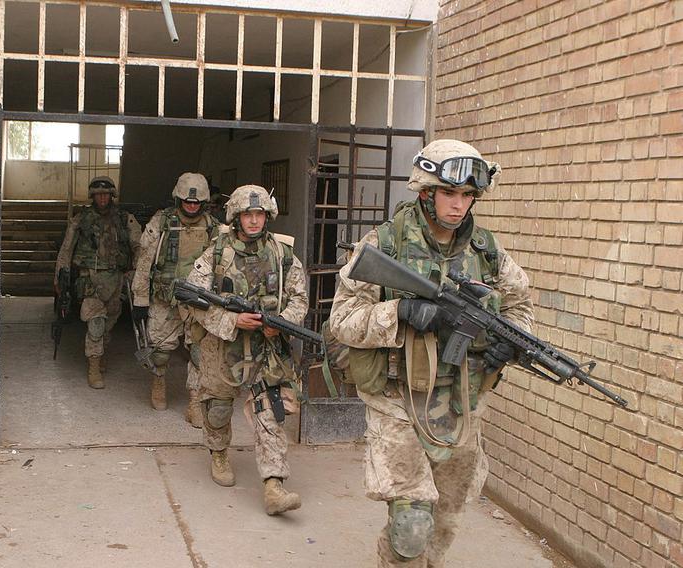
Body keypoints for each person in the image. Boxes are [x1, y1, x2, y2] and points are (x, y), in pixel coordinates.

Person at [328, 139, 534, 566]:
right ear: (426, 191)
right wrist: (401, 311)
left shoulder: (488, 253)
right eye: (449, 193)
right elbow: (342, 320)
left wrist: (508, 342)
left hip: (462, 402)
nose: (459, 205)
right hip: (395, 399)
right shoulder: (384, 244)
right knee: (410, 527)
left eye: (467, 196)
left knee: (445, 522)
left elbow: (520, 308)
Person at [185, 184, 308, 516]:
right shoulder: (214, 254)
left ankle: (273, 484)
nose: (254, 221)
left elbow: (299, 298)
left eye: (259, 214)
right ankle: (219, 451)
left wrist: (280, 322)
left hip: (266, 347)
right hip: (222, 346)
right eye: (247, 215)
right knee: (217, 409)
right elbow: (192, 299)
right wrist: (231, 320)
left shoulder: (283, 255)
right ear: (235, 217)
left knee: (271, 411)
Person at [131, 172, 222, 424]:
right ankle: (158, 381)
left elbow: (225, 266)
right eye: (187, 201)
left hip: (198, 301)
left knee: (199, 353)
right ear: (178, 199)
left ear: (203, 202)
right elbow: (145, 262)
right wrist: (140, 299)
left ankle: (194, 400)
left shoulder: (215, 228)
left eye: (196, 202)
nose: (191, 206)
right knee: (160, 350)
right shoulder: (162, 221)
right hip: (165, 297)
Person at [55, 175, 141, 389]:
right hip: (90, 279)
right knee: (95, 324)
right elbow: (67, 249)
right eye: (98, 194)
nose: (102, 198)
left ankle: (100, 354)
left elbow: (139, 246)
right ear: (92, 196)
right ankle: (93, 366)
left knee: (109, 324)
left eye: (106, 194)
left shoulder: (124, 218)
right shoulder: (81, 219)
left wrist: (136, 271)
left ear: (112, 195)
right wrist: (59, 276)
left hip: (116, 280)